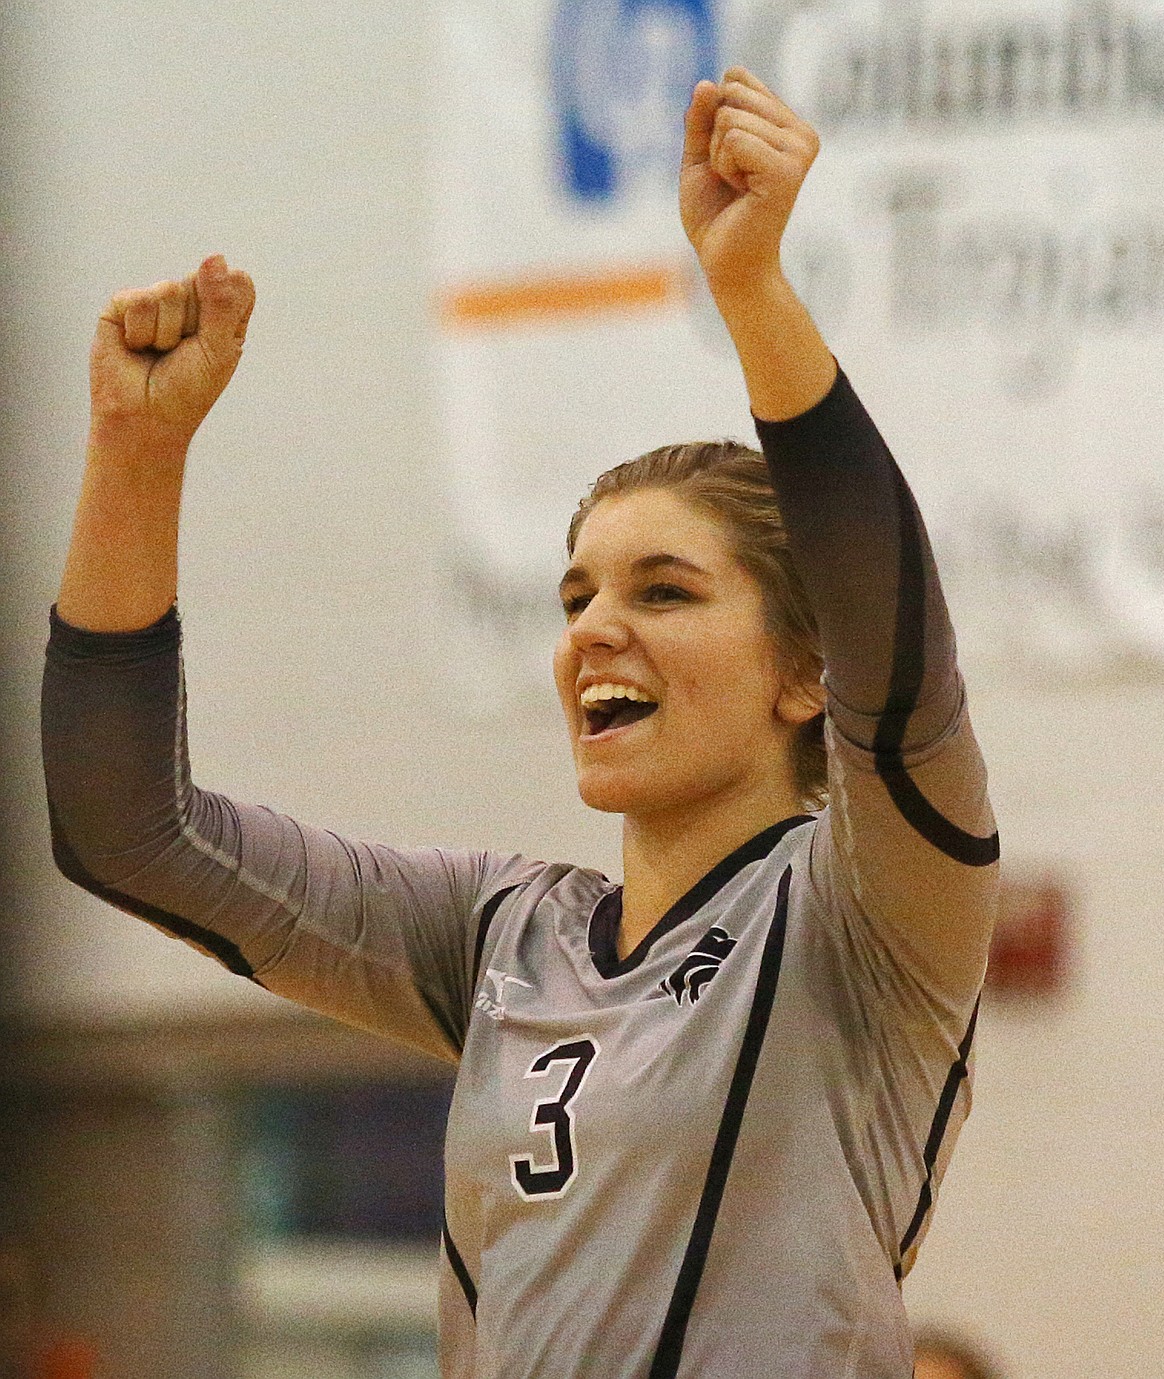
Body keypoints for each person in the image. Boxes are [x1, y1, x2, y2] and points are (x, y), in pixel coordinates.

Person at [42, 69, 999, 1378]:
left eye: (662, 590)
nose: (593, 628)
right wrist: (133, 455)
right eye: (575, 594)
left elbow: (901, 655)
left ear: (802, 675)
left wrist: (751, 291)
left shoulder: (868, 909)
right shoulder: (502, 932)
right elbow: (126, 830)